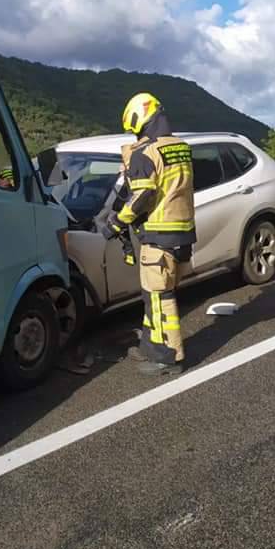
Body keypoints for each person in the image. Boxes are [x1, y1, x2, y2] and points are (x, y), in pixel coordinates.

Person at [102, 93, 196, 375]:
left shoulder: (146, 153)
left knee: (159, 297)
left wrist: (117, 223)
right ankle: (150, 346)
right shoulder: (180, 146)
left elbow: (142, 196)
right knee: (154, 295)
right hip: (183, 234)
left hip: (158, 235)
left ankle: (168, 358)